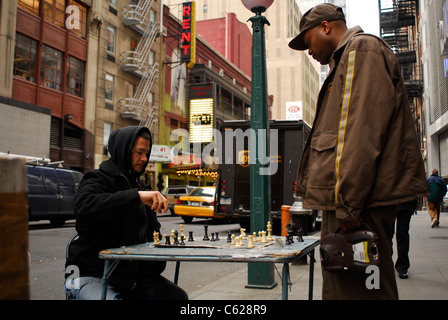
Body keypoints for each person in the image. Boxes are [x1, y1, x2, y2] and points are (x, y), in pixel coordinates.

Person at [289, 4, 428, 299]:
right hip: (355, 202)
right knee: (355, 286)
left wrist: (348, 205)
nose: (308, 50)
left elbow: (359, 134)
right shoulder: (348, 59)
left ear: (325, 27)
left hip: (356, 205)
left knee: (360, 289)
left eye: (308, 40)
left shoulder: (359, 51)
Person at [64, 126, 188, 300]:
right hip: (87, 274)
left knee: (177, 297)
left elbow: (151, 239)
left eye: (146, 153)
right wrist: (136, 197)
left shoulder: (141, 188)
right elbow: (84, 207)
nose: (144, 159)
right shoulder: (96, 179)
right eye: (139, 152)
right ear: (123, 150)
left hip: (130, 280)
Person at [394, 199, 417, 279]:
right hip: (389, 200)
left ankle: (402, 265)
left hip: (406, 201)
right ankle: (387, 263)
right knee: (387, 233)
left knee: (402, 233)